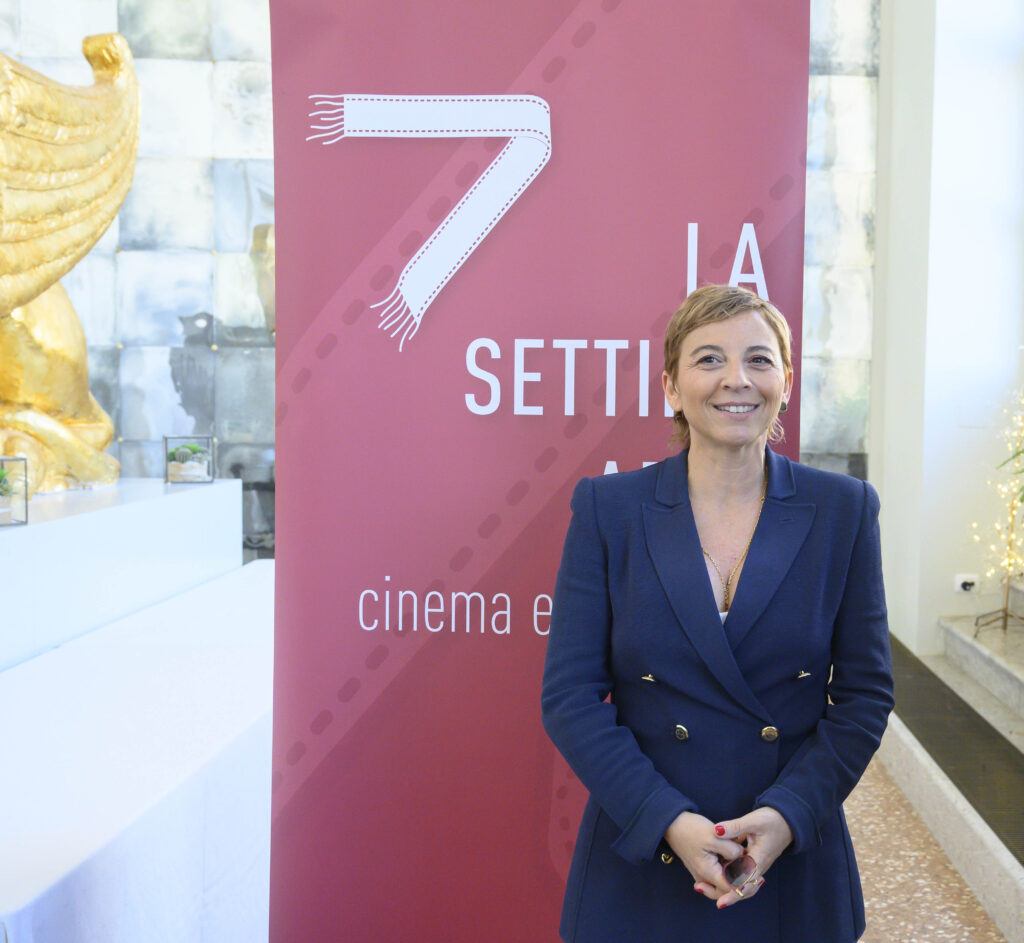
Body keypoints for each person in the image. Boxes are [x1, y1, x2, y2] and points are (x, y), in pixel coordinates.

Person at [541, 285, 894, 943]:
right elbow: (569, 697)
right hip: (645, 849)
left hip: (790, 856)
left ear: (786, 382)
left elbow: (865, 695)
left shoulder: (844, 510)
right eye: (709, 359)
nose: (737, 378)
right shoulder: (608, 509)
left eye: (759, 359)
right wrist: (668, 819)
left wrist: (787, 815)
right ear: (672, 387)